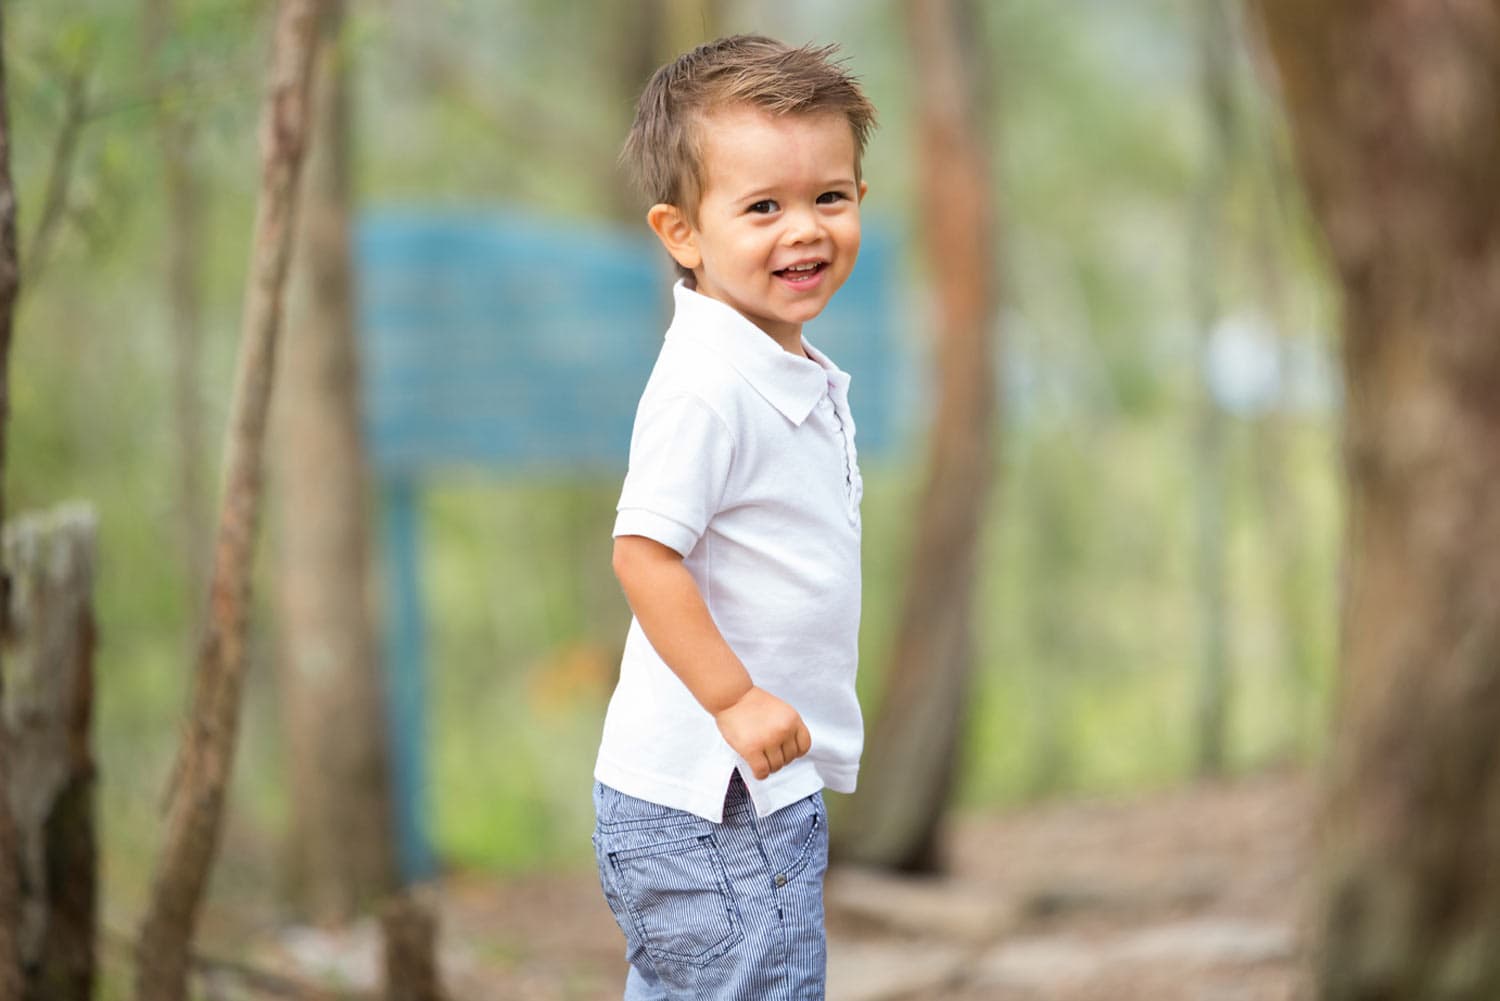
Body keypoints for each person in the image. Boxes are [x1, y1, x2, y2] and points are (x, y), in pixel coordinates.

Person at [591, 33, 877, 1001]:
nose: (803, 229)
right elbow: (643, 553)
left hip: (726, 797)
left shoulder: (772, 364)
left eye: (827, 197)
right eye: (763, 207)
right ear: (681, 232)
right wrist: (734, 698)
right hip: (717, 804)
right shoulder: (711, 385)